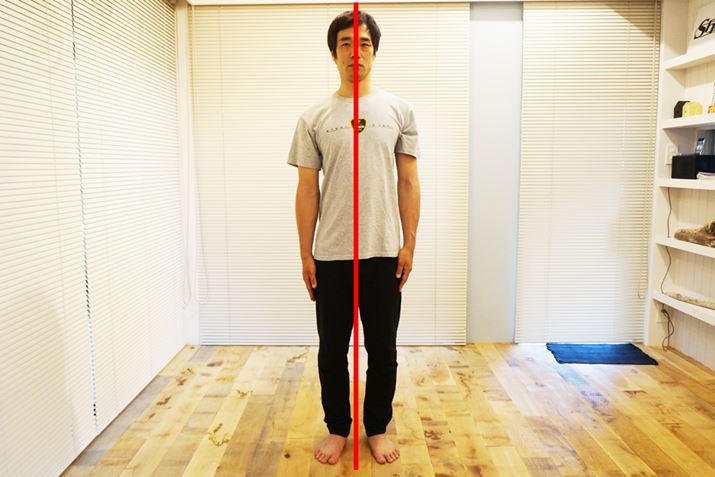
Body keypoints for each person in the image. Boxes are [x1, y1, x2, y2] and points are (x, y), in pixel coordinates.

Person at [287, 9, 420, 466]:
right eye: (345, 43)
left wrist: (409, 243)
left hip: (383, 253)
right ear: (333, 54)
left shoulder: (399, 111)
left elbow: (408, 181)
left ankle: (377, 428)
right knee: (331, 351)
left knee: (383, 350)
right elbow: (307, 189)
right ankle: (337, 428)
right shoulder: (314, 117)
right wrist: (306, 255)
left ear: (374, 51)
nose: (355, 52)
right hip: (332, 256)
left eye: (363, 43)